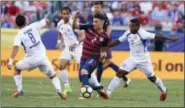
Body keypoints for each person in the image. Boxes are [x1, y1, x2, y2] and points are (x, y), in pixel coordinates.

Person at [106, 18, 179, 101]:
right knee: (119, 73)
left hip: (143, 60)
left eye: (132, 26)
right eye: (129, 26)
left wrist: (171, 39)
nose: (130, 28)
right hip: (132, 59)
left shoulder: (143, 33)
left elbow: (157, 36)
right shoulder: (128, 32)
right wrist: (107, 47)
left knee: (152, 78)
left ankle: (164, 90)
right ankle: (107, 94)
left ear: (138, 27)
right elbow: (119, 41)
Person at [7, 14, 67, 100]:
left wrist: (10, 61)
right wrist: (46, 18)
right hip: (42, 58)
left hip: (30, 60)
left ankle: (19, 90)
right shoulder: (34, 25)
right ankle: (59, 90)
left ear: (16, 25)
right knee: (53, 75)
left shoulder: (19, 34)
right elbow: (45, 21)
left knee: (16, 68)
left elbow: (15, 47)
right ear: (26, 21)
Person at [56, 7, 100, 94]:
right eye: (63, 13)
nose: (65, 15)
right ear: (61, 14)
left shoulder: (73, 23)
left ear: (70, 14)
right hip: (68, 48)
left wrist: (75, 43)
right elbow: (60, 33)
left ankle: (98, 87)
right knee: (61, 66)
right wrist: (58, 42)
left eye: (67, 13)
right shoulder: (59, 24)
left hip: (79, 47)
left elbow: (82, 36)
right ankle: (67, 87)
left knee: (85, 69)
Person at [90, 1, 131, 87]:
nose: (96, 9)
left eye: (97, 7)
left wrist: (106, 38)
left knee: (105, 62)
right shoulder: (95, 16)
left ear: (101, 7)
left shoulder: (103, 16)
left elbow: (109, 27)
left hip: (104, 41)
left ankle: (97, 84)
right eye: (95, 7)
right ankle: (125, 76)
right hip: (99, 40)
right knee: (108, 62)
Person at [72, 11, 109, 99]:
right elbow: (75, 26)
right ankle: (98, 89)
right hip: (83, 57)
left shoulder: (105, 37)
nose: (94, 23)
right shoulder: (89, 27)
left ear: (102, 22)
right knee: (83, 80)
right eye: (93, 21)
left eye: (96, 22)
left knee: (84, 71)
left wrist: (101, 60)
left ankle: (87, 93)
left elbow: (103, 51)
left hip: (94, 58)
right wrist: (74, 18)